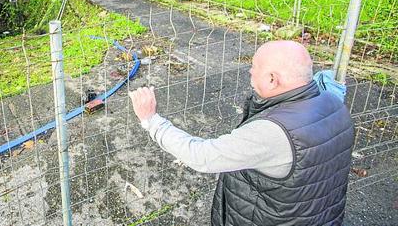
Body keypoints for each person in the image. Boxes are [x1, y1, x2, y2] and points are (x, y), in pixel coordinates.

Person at [129, 40, 354, 226]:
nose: (249, 71)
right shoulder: (333, 102)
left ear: (272, 79)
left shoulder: (274, 131)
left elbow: (202, 156)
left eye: (254, 67)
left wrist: (152, 120)